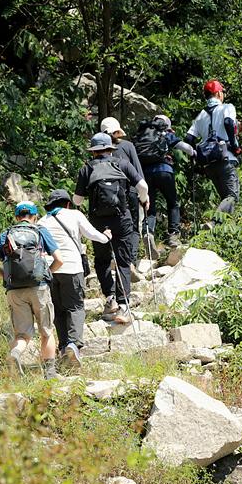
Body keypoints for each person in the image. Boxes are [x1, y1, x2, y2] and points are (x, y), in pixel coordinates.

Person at [73, 133, 149, 323]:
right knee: (123, 262)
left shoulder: (87, 169)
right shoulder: (122, 164)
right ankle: (123, 307)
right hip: (121, 218)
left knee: (102, 260)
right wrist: (144, 200)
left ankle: (110, 299)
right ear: (110, 148)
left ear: (94, 151)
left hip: (98, 221)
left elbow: (77, 200)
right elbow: (143, 186)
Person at [0, 201, 63, 379]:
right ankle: (50, 373)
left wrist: (8, 279)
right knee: (46, 331)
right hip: (39, 287)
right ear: (35, 217)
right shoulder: (40, 231)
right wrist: (45, 275)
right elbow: (59, 260)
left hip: (14, 290)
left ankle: (15, 354)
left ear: (16, 217)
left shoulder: (6, 234)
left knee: (22, 334)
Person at [39, 189, 111, 368]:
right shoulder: (75, 215)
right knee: (76, 307)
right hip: (71, 267)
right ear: (68, 203)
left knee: (58, 310)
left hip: (50, 270)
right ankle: (74, 344)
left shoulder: (41, 221)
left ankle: (64, 347)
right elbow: (93, 235)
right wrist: (107, 236)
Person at [134, 114, 195, 249]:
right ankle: (173, 235)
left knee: (149, 206)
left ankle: (148, 233)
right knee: (172, 203)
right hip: (164, 171)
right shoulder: (165, 133)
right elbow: (185, 148)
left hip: (145, 174)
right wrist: (194, 153)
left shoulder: (142, 134)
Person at [185, 80, 242, 218]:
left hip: (209, 164)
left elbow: (188, 138)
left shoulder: (201, 115)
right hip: (225, 157)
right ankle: (213, 222)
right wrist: (235, 146)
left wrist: (195, 156)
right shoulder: (227, 107)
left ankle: (219, 233)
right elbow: (228, 122)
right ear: (218, 93)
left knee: (225, 199)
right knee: (232, 196)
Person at [100, 116, 144, 255]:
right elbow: (137, 171)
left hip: (108, 195)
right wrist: (144, 196)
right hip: (130, 191)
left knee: (114, 227)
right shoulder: (127, 146)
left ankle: (119, 258)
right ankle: (131, 259)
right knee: (133, 227)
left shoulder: (98, 150)